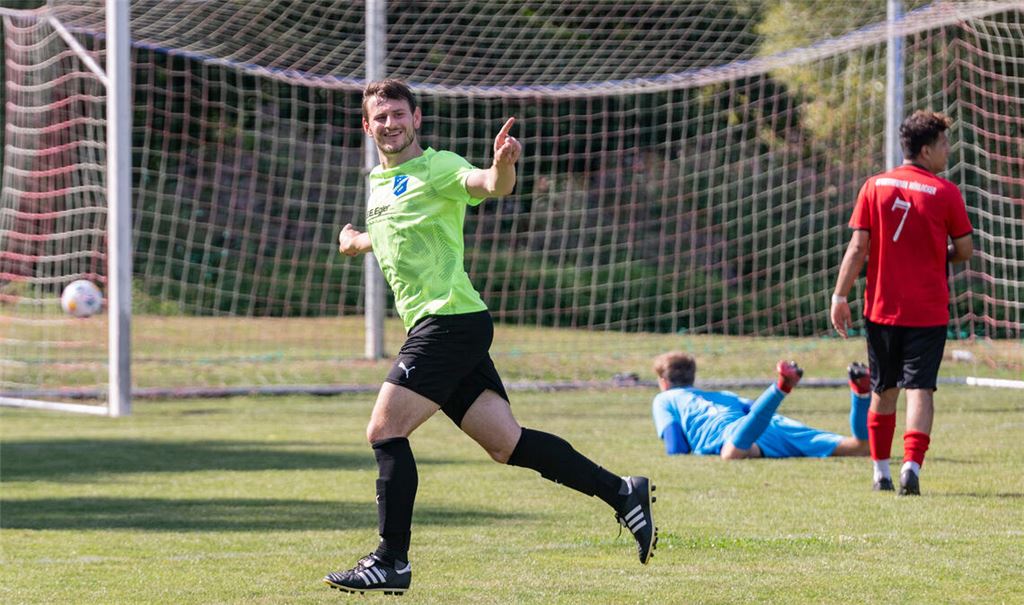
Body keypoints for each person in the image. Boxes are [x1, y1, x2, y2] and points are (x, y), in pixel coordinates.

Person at [323, 79, 656, 596]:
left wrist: (503, 164)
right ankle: (622, 492)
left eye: (398, 114)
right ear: (367, 126)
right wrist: (356, 241)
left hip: (448, 323)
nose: (390, 124)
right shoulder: (379, 182)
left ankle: (391, 561)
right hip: (451, 325)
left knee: (384, 431)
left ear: (417, 119)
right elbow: (393, 233)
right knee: (507, 444)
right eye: (380, 117)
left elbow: (489, 185)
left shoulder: (439, 167)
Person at [830, 110, 973, 496]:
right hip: (928, 311)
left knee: (883, 389)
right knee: (921, 390)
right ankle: (911, 467)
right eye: (944, 144)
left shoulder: (874, 186)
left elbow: (858, 247)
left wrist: (839, 295)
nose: (948, 150)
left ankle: (880, 471)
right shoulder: (946, 193)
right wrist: (933, 253)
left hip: (881, 309)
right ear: (926, 150)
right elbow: (964, 249)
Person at [651, 352, 871, 459]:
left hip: (737, 437)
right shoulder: (724, 395)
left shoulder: (664, 399)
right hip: (771, 428)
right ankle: (861, 394)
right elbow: (756, 410)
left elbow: (676, 447)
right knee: (860, 447)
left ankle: (780, 388)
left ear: (663, 382)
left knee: (732, 453)